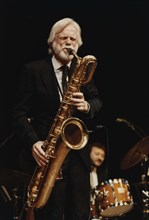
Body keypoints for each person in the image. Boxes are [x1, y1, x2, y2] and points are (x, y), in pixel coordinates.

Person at [12, 17, 103, 220]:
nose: (69, 42)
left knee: (79, 213)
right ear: (52, 41)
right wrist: (33, 141)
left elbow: (97, 101)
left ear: (78, 45)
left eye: (73, 39)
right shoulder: (33, 70)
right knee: (50, 213)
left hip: (78, 155)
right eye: (63, 38)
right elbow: (18, 114)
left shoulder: (81, 71)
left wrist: (86, 105)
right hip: (48, 152)